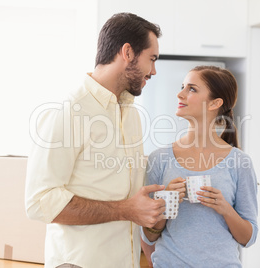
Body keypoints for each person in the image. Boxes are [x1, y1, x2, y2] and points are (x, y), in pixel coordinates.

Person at [25, 13, 167, 268]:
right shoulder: (68, 112)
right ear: (127, 52)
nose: (154, 71)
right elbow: (39, 202)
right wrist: (125, 210)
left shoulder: (131, 113)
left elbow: (128, 193)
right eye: (152, 59)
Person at [141, 66, 259, 267]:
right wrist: (166, 202)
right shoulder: (158, 159)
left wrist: (225, 209)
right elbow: (148, 236)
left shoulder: (240, 162)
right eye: (182, 87)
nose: (180, 94)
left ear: (215, 103)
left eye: (192, 89)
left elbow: (248, 238)